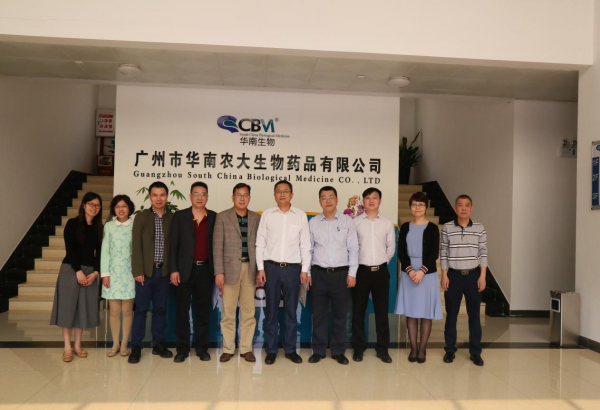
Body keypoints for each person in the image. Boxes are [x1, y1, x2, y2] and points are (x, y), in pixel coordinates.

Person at [256, 180, 311, 365]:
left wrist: (304, 269)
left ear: (292, 194)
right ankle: (271, 350)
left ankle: (290, 349)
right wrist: (261, 268)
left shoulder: (300, 216)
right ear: (274, 195)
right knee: (271, 312)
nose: (282, 194)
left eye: (285, 191)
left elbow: (305, 245)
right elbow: (260, 243)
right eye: (278, 191)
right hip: (270, 268)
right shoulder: (267, 215)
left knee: (291, 312)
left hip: (293, 269)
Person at [307, 186, 358, 365]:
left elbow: (353, 249)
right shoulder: (313, 222)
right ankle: (318, 350)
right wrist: (307, 272)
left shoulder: (347, 222)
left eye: (331, 197)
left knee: (340, 314)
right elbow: (308, 249)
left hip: (341, 275)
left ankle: (338, 351)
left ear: (337, 200)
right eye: (324, 197)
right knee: (318, 314)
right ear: (319, 201)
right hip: (319, 274)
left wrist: (352, 273)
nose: (328, 200)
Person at [50, 192, 103, 363]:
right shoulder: (72, 223)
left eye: (97, 205)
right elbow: (70, 250)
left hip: (90, 272)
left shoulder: (99, 227)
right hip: (70, 269)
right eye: (91, 204)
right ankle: (67, 347)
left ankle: (78, 345)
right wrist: (78, 271)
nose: (94, 208)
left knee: (82, 309)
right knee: (68, 308)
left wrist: (95, 273)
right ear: (84, 205)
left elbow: (99, 253)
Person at [213, 183, 261, 363]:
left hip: (250, 269)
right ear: (232, 197)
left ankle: (246, 349)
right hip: (229, 270)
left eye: (245, 195)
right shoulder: (222, 217)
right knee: (228, 312)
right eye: (238, 195)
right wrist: (219, 271)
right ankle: (228, 349)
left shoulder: (256, 218)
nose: (242, 198)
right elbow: (217, 246)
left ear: (249, 198)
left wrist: (260, 269)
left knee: (249, 312)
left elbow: (261, 246)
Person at [169, 181, 216, 362]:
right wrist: (173, 269)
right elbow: (173, 245)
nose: (199, 197)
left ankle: (202, 348)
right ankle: (182, 349)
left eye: (203, 194)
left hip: (206, 270)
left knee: (203, 311)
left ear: (207, 197)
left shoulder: (214, 217)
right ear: (190, 196)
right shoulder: (180, 216)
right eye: (196, 194)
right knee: (182, 311)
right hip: (183, 271)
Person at [129, 181, 174, 364]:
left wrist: (172, 270)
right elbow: (136, 246)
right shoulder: (141, 217)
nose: (158, 198)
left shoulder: (172, 218)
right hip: (145, 273)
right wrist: (138, 270)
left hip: (164, 273)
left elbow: (175, 247)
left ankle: (158, 344)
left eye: (162, 195)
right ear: (149, 197)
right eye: (155, 195)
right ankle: (136, 347)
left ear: (166, 196)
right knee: (140, 310)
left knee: (160, 310)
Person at [440, 194, 487, 367]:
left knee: (474, 315)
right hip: (453, 276)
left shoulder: (479, 228)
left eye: (467, 205)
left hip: (474, 276)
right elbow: (443, 252)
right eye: (460, 205)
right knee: (451, 315)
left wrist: (482, 276)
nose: (464, 208)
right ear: (455, 208)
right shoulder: (447, 227)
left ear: (471, 208)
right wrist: (444, 274)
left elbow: (483, 252)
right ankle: (449, 350)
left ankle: (475, 352)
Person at [396, 192, 442, 364]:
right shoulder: (405, 227)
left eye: (421, 205)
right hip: (409, 274)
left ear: (426, 207)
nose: (417, 208)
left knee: (425, 313)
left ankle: (422, 349)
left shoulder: (433, 228)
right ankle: (413, 348)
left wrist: (421, 271)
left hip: (426, 274)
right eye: (414, 204)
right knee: (411, 312)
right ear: (410, 207)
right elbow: (401, 251)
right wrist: (410, 270)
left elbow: (434, 253)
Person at [352, 187, 396, 363]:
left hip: (380, 273)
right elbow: (352, 248)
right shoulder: (355, 222)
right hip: (360, 272)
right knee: (358, 312)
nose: (371, 200)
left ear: (380, 201)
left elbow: (390, 249)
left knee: (381, 313)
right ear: (363, 201)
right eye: (368, 198)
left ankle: (382, 349)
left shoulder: (387, 223)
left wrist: (380, 263)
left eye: (375, 197)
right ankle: (359, 348)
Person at [101, 194, 136, 358]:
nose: (121, 209)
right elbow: (105, 250)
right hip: (112, 274)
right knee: (114, 311)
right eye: (117, 206)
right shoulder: (109, 226)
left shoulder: (135, 225)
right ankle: (115, 343)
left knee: (127, 311)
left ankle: (124, 344)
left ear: (129, 208)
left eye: (124, 206)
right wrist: (105, 273)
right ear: (114, 209)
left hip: (130, 274)